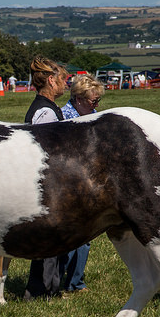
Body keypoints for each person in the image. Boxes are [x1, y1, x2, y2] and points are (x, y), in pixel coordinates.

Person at [22, 56, 69, 300]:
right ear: (51, 81)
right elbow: (46, 151)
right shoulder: (45, 112)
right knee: (49, 238)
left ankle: (48, 287)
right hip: (47, 183)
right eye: (62, 79)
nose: (65, 84)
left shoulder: (47, 108)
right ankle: (41, 290)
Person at [58, 74, 106, 292]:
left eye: (97, 101)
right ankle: (60, 281)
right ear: (78, 98)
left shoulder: (93, 115)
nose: (96, 105)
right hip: (66, 183)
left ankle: (76, 282)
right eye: (93, 101)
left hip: (88, 181)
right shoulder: (63, 118)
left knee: (85, 237)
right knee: (67, 237)